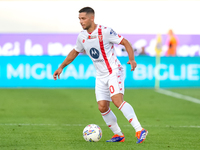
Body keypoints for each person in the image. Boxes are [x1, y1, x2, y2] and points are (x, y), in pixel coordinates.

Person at [53, 7, 148, 143]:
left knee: (117, 100)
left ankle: (139, 130)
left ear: (92, 18)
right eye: (79, 19)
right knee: (102, 106)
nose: (81, 21)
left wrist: (132, 59)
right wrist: (61, 67)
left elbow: (125, 42)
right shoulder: (82, 36)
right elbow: (75, 52)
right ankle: (118, 135)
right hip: (101, 75)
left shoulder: (105, 31)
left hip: (114, 71)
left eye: (83, 18)